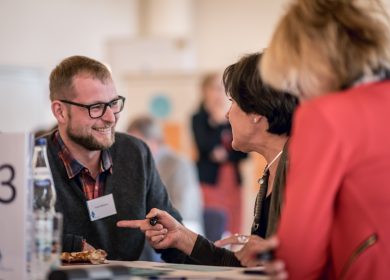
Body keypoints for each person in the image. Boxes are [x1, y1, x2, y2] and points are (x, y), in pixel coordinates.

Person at [250, 0, 390, 279]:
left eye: (293, 78)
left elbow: (301, 258)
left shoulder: (326, 116)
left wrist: (281, 257)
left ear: (312, 60)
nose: (296, 93)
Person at [117, 52, 299, 267]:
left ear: (256, 112)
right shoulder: (274, 169)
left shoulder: (298, 174)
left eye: (232, 102)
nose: (227, 114)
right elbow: (243, 266)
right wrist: (181, 236)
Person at [44, 55, 186, 262]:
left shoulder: (135, 153)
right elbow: (12, 235)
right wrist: (73, 247)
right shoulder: (29, 161)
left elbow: (173, 237)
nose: (111, 117)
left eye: (113, 103)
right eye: (96, 107)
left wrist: (220, 262)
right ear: (61, 112)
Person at [127, 116, 204, 234]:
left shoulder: (179, 165)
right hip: (153, 229)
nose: (132, 150)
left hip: (183, 229)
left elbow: (183, 209)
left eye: (136, 143)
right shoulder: (137, 165)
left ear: (153, 141)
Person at [192, 72, 247, 236]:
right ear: (205, 91)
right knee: (214, 223)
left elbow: (243, 153)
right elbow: (205, 146)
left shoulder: (232, 117)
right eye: (215, 88)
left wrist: (225, 154)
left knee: (234, 223)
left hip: (232, 180)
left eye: (222, 89)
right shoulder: (198, 118)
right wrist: (216, 124)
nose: (219, 93)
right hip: (210, 181)